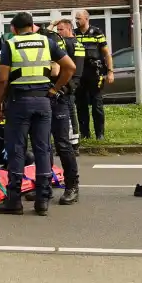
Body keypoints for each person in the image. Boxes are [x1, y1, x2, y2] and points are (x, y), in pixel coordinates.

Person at [0, 12, 74, 216]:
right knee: (43, 149)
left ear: (13, 28)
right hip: (43, 101)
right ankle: (42, 200)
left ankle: (14, 201)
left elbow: (2, 80)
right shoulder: (47, 42)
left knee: (17, 149)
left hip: (19, 102)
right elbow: (69, 67)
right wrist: (54, 89)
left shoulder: (10, 44)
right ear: (32, 25)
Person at [46, 19, 82, 205]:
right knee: (43, 145)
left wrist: (57, 89)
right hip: (45, 98)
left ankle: (72, 186)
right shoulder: (53, 40)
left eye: (61, 29)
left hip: (60, 96)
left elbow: (63, 71)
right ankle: (45, 185)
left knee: (62, 144)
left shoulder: (58, 42)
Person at [73, 10, 114, 141]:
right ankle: (85, 133)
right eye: (75, 18)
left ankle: (100, 134)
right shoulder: (74, 33)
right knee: (81, 105)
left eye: (79, 18)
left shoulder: (97, 32)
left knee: (97, 104)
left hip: (94, 73)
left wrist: (110, 71)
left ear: (86, 18)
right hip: (79, 73)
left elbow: (107, 53)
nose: (76, 20)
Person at [55, 18, 84, 143]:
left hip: (66, 81)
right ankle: (74, 142)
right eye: (57, 30)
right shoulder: (79, 43)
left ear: (69, 28)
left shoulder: (65, 43)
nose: (59, 32)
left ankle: (70, 143)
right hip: (75, 80)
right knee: (72, 112)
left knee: (68, 113)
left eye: (61, 29)